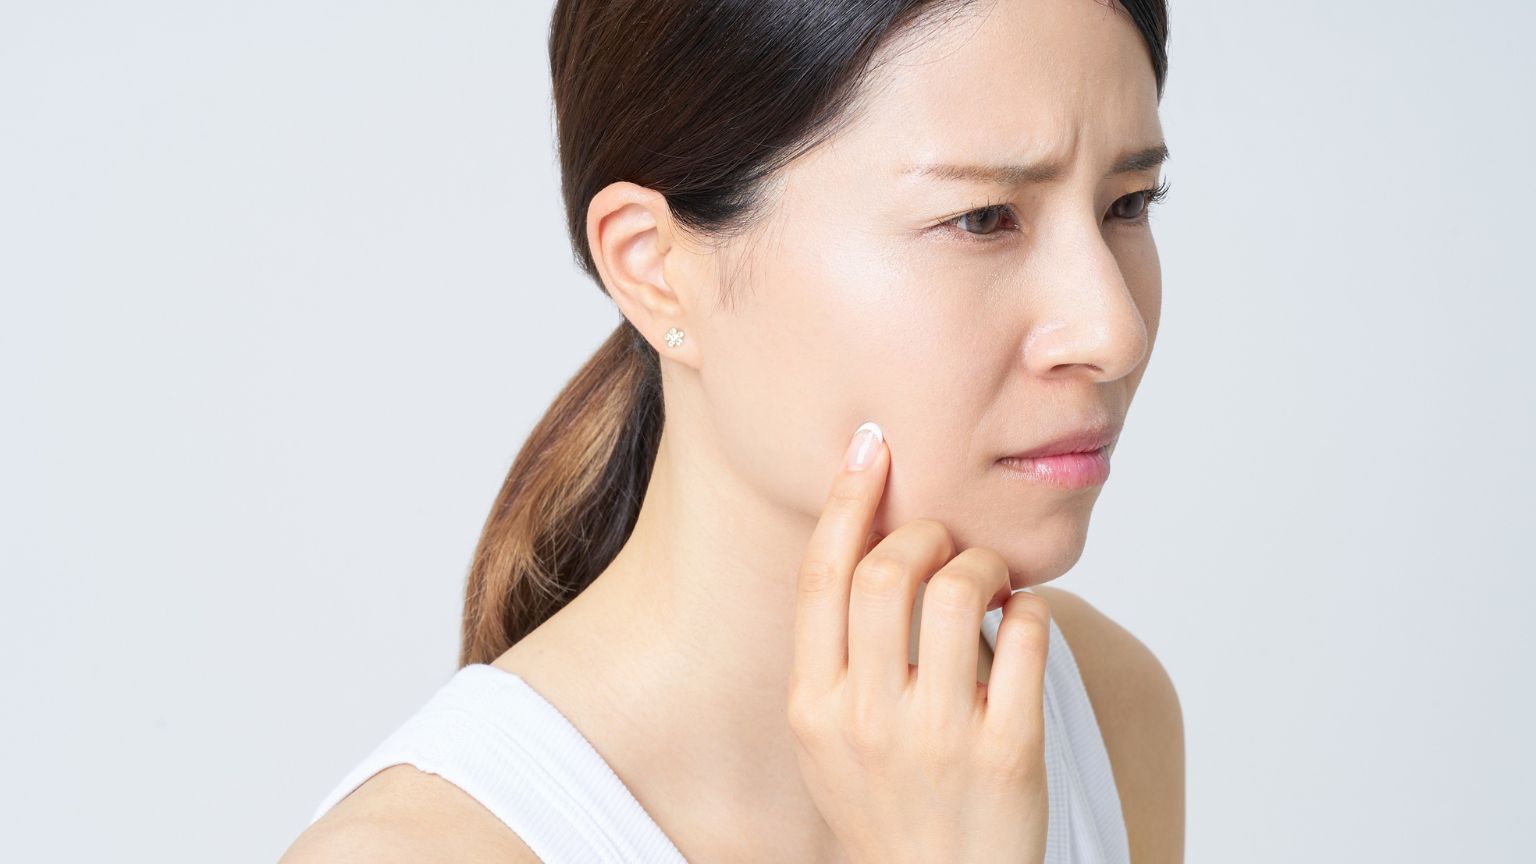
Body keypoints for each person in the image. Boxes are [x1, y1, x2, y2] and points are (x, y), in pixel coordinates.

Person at [282, 0, 1183, 861]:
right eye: (983, 218)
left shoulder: (1099, 708)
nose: (1113, 331)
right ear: (657, 268)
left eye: (1129, 204)